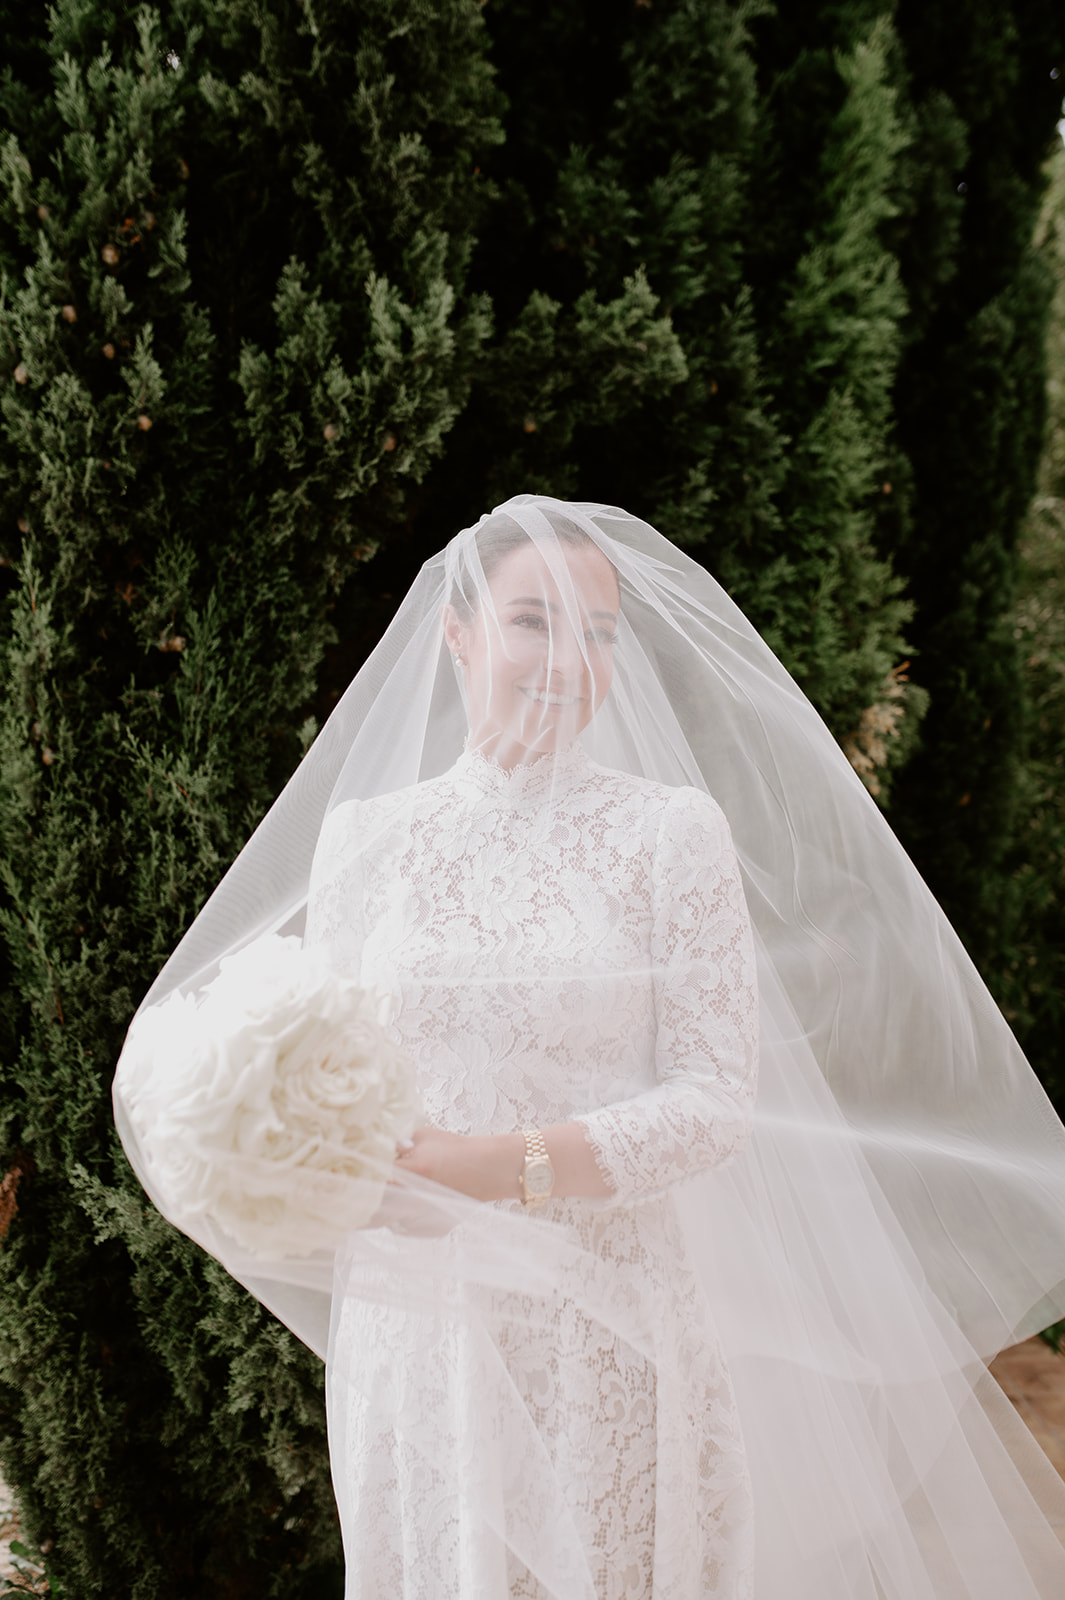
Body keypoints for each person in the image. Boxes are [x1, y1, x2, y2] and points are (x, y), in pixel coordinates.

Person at [116, 496, 1065, 1599]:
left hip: (606, 1320)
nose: (568, 660)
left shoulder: (668, 833)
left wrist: (494, 1166)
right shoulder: (365, 840)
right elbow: (334, 1069)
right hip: (418, 1329)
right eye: (533, 620)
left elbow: (713, 1100)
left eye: (598, 632)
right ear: (458, 633)